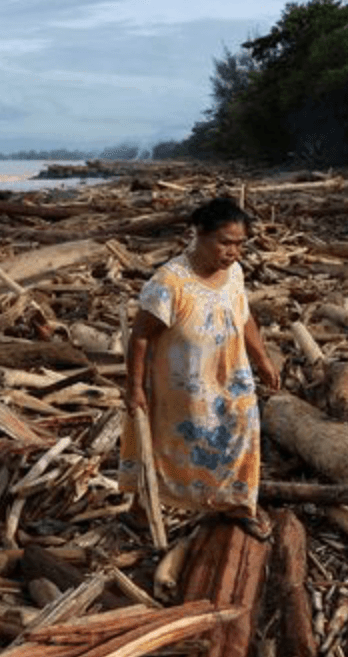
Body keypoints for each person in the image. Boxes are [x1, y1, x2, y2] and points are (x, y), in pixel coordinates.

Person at [119, 196, 281, 539]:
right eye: (225, 242)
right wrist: (134, 387)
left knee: (242, 432)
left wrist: (262, 359)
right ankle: (142, 508)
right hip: (182, 383)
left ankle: (238, 504)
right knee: (165, 444)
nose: (233, 252)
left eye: (239, 244)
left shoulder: (233, 273)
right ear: (198, 234)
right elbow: (141, 336)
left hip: (231, 376)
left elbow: (244, 315)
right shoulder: (169, 282)